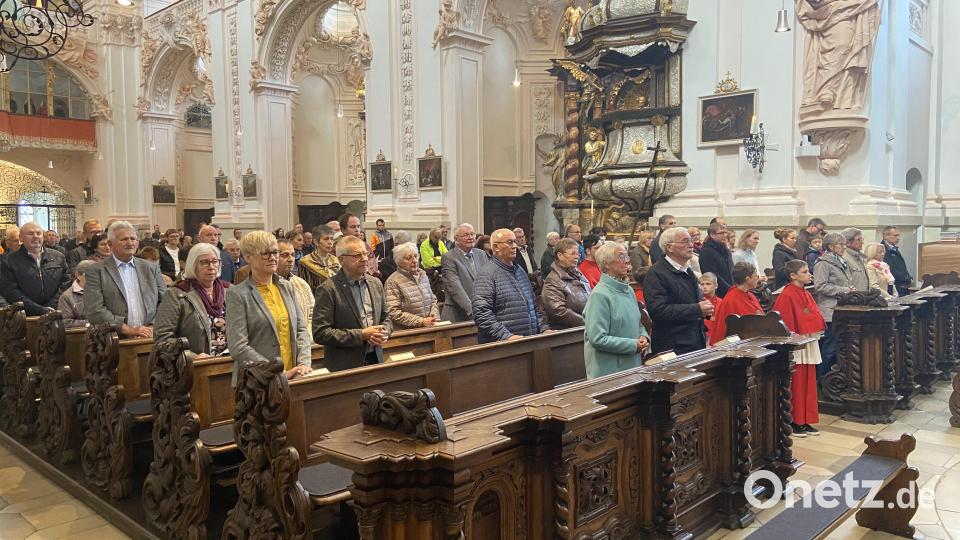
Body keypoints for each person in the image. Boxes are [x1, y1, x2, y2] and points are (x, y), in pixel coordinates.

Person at [226, 231, 311, 385]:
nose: (273, 258)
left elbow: (301, 329)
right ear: (248, 257)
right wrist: (276, 371)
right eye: (265, 253)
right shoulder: (237, 294)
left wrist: (304, 364)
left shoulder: (286, 287)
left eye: (275, 252)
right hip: (257, 383)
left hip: (294, 377)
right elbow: (238, 346)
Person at [313, 235, 393, 372]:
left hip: (376, 358)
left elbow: (387, 317)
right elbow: (320, 333)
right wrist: (361, 335)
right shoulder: (328, 289)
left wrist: (384, 331)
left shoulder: (375, 283)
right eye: (357, 255)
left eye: (366, 253)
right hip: (345, 366)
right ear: (341, 259)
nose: (365, 259)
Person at [84, 221, 167, 338]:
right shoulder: (96, 271)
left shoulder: (150, 268)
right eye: (124, 239)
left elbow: (165, 302)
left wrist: (152, 326)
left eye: (133, 239)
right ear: (110, 244)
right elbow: (95, 310)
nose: (130, 243)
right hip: (114, 340)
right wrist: (128, 330)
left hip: (150, 337)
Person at [772, 260, 825, 437]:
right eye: (804, 272)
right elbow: (783, 322)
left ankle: (806, 419)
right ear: (793, 275)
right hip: (797, 345)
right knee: (798, 381)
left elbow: (812, 313)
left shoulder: (805, 292)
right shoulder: (786, 294)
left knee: (809, 381)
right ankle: (795, 421)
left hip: (808, 339)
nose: (809, 274)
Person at [583, 242, 649, 378]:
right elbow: (597, 338)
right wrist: (632, 345)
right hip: (610, 371)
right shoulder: (599, 295)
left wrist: (643, 336)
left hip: (632, 366)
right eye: (621, 256)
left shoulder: (629, 290)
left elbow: (638, 322)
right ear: (606, 263)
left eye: (627, 256)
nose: (627, 261)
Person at [644, 227, 713, 355]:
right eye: (685, 241)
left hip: (694, 341)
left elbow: (688, 299)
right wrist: (697, 309)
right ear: (669, 247)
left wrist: (704, 308)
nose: (691, 245)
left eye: (691, 241)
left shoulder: (687, 269)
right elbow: (658, 311)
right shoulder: (656, 273)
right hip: (673, 346)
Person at [155, 243, 230, 357]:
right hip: (195, 366)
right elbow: (162, 338)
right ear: (193, 265)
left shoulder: (229, 291)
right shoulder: (176, 294)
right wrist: (191, 356)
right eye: (204, 262)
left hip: (231, 362)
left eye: (215, 261)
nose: (211, 266)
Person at [472, 229, 543, 343]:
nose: (515, 246)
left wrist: (543, 328)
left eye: (515, 242)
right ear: (495, 247)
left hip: (528, 342)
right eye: (510, 242)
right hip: (504, 346)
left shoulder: (519, 270)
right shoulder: (486, 274)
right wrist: (506, 336)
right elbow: (482, 314)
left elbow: (533, 306)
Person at [0, 222, 71, 315]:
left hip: (56, 312)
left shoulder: (59, 257)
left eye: (38, 233)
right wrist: (39, 309)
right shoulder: (9, 261)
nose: (35, 236)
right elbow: (11, 291)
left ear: (43, 236)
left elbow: (66, 282)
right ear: (21, 238)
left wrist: (52, 306)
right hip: (27, 315)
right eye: (30, 234)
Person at [813, 233, 856, 377]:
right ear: (831, 247)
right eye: (841, 244)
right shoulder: (823, 263)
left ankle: (834, 377)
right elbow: (820, 286)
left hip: (842, 308)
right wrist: (845, 290)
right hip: (830, 310)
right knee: (830, 347)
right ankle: (820, 378)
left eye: (845, 244)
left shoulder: (841, 261)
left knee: (840, 346)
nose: (844, 247)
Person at [384, 242, 439, 329]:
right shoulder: (393, 281)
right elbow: (393, 312)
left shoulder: (423, 275)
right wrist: (421, 321)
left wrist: (433, 316)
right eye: (409, 258)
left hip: (429, 328)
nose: (415, 261)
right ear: (399, 262)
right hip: (408, 333)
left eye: (416, 256)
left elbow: (433, 300)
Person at [440, 223, 488, 322]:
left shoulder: (481, 254)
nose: (470, 237)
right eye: (466, 235)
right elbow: (455, 288)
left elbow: (488, 282)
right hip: (458, 315)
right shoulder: (449, 257)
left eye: (472, 234)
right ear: (456, 239)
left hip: (482, 313)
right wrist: (473, 312)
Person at [708, 262, 764, 346]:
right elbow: (734, 330)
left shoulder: (750, 295)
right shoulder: (731, 299)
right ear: (748, 279)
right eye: (756, 276)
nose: (758, 279)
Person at [542, 238, 591, 330]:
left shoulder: (579, 274)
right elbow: (559, 311)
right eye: (573, 253)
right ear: (560, 255)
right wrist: (587, 322)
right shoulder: (553, 280)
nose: (577, 257)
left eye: (578, 254)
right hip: (567, 333)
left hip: (585, 329)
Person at [274, 238, 315, 334]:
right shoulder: (268, 284)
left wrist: (306, 336)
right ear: (274, 257)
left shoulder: (302, 284)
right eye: (285, 255)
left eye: (293, 255)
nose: (291, 259)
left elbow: (312, 314)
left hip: (305, 340)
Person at [299, 225, 341, 289]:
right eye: (326, 239)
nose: (330, 242)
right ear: (316, 242)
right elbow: (303, 287)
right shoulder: (305, 261)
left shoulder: (336, 260)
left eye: (332, 239)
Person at [699, 222, 734, 297]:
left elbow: (731, 269)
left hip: (731, 290)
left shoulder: (725, 249)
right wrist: (729, 289)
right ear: (712, 235)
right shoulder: (706, 251)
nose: (725, 235)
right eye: (721, 233)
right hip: (718, 293)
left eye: (725, 232)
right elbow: (712, 275)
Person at [58, 260, 94, 328]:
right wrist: (89, 323)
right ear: (78, 275)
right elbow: (66, 322)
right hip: (81, 335)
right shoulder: (66, 297)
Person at [882, 226, 912, 296]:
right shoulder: (883, 249)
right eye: (895, 235)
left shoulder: (894, 248)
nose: (898, 238)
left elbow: (901, 267)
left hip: (903, 287)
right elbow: (890, 269)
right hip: (895, 288)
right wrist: (906, 279)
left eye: (899, 235)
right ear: (886, 236)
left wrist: (909, 277)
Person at [840, 227, 868, 291]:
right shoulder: (844, 257)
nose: (862, 242)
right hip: (853, 298)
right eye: (858, 239)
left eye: (862, 239)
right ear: (848, 242)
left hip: (864, 297)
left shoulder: (860, 257)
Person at [699, 273, 721, 343]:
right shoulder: (698, 303)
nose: (704, 287)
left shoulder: (722, 302)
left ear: (716, 285)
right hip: (704, 339)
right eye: (702, 284)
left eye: (708, 284)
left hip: (720, 337)